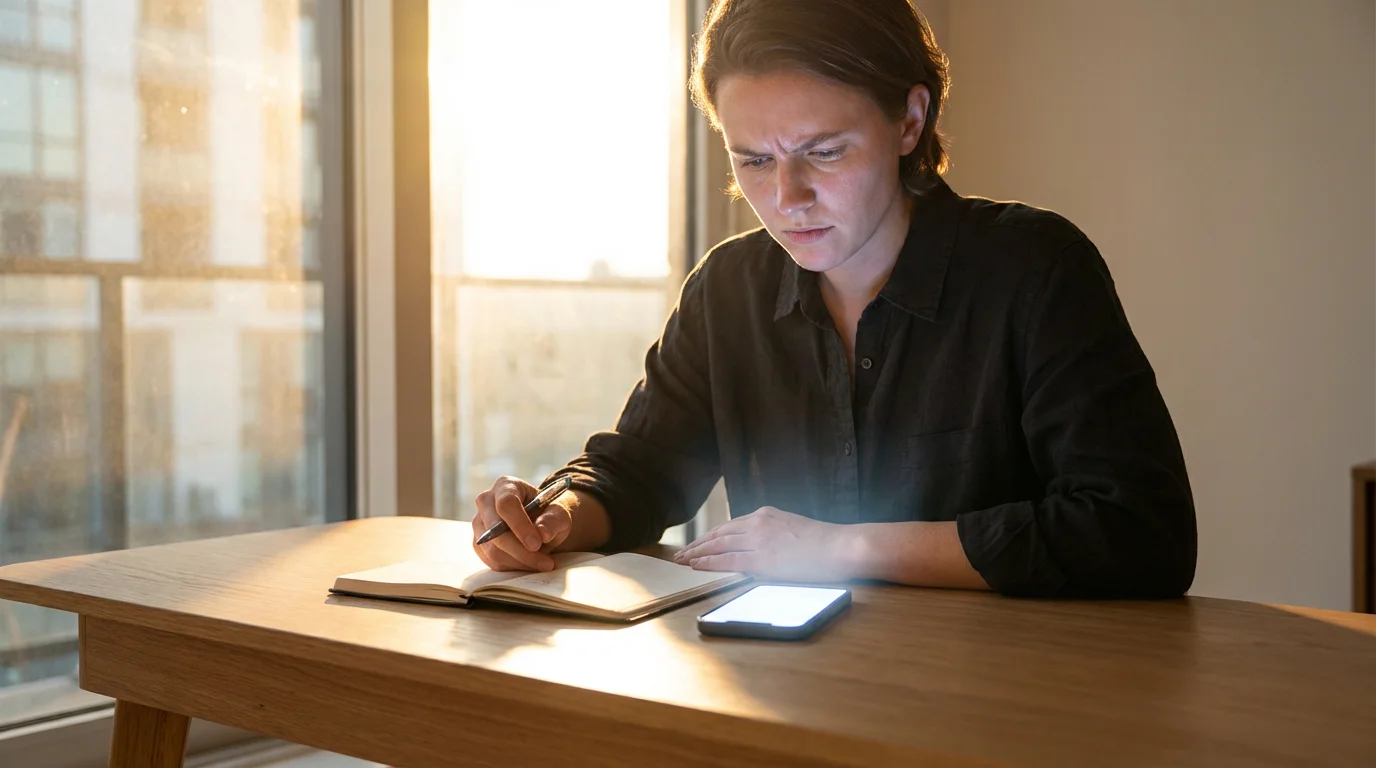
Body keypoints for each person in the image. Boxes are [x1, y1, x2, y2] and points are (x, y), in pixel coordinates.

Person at [470, 0, 1196, 598]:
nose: (786, 199)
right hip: (787, 691)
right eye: (753, 160)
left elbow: (1138, 532)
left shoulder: (1035, 269)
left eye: (824, 152)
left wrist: (837, 549)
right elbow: (639, 474)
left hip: (1004, 701)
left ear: (910, 122)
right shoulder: (729, 290)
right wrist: (553, 516)